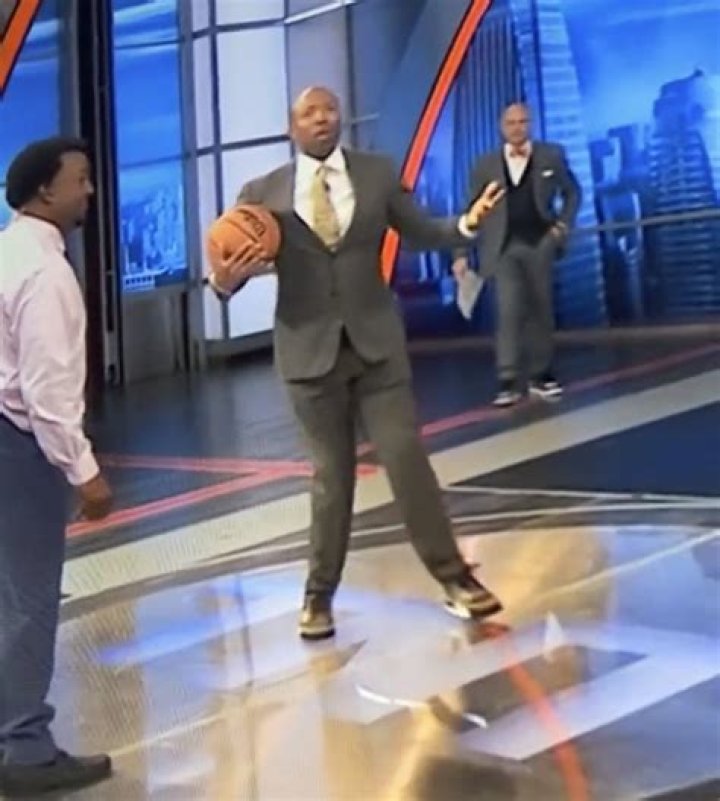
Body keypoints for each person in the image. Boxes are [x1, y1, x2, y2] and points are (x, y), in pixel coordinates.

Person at [208, 86, 506, 641]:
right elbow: (229, 272)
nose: (321, 118)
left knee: (406, 458)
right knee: (332, 477)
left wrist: (466, 224)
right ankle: (318, 595)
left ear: (340, 118)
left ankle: (455, 578)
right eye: (308, 112)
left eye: (328, 109)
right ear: (292, 127)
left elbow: (421, 231)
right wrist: (223, 281)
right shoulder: (261, 194)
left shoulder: (376, 174)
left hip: (376, 347)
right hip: (308, 353)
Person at [0, 137, 113, 796]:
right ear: (47, 190)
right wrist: (84, 471)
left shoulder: (6, 251)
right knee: (30, 600)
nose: (89, 190)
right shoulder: (45, 273)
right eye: (81, 179)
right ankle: (24, 748)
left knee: (8, 596)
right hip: (20, 450)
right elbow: (46, 392)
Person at [453, 103, 581, 407]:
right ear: (502, 127)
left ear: (531, 124)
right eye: (511, 123)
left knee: (541, 309)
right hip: (502, 247)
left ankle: (541, 375)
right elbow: (470, 209)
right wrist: (460, 252)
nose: (517, 127)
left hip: (540, 243)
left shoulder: (551, 155)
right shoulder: (485, 165)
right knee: (508, 311)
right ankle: (507, 379)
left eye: (523, 121)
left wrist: (561, 227)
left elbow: (573, 193)